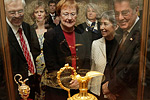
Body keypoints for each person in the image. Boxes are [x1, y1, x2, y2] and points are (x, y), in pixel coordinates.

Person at [43, 0, 91, 100]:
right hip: (59, 88)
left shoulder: (84, 35)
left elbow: (87, 60)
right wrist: (68, 81)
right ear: (59, 15)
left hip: (80, 86)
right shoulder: (51, 35)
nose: (69, 18)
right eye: (65, 14)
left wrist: (80, 79)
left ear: (77, 15)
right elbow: (51, 65)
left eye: (72, 14)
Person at [102, 0, 141, 100]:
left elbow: (132, 69)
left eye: (125, 13)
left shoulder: (143, 32)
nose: (120, 18)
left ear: (136, 10)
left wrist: (110, 87)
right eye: (116, 13)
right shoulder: (119, 31)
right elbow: (110, 61)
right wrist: (107, 84)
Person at [4, 0, 40, 99]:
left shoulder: (27, 27)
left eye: (20, 11)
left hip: (30, 83)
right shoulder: (2, 33)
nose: (17, 15)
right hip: (12, 89)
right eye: (12, 12)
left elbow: (34, 52)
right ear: (4, 12)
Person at [89, 10, 118, 100]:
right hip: (97, 91)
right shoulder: (96, 44)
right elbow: (92, 68)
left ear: (116, 26)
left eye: (105, 24)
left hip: (115, 91)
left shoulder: (121, 44)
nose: (101, 27)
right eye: (100, 24)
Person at [29, 0, 50, 99]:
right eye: (36, 12)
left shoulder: (51, 29)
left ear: (45, 13)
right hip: (35, 66)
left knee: (48, 90)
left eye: (41, 11)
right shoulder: (30, 31)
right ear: (33, 15)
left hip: (49, 65)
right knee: (37, 91)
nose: (39, 14)